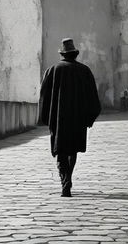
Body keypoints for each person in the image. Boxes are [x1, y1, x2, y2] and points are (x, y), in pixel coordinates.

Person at [38, 38, 101, 197]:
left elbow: (43, 97)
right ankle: (69, 177)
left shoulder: (52, 70)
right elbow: (93, 97)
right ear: (74, 54)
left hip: (58, 120)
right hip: (77, 119)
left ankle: (64, 180)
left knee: (60, 150)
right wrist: (89, 118)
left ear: (62, 54)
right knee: (73, 150)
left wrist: (46, 118)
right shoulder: (84, 71)